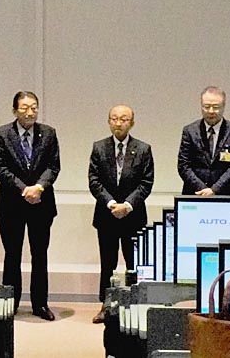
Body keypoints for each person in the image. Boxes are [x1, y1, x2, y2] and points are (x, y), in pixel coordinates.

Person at [0, 91, 60, 320]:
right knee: (12, 255)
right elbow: (0, 169)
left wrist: (38, 187)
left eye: (34, 107)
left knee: (40, 255)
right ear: (15, 110)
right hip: (11, 204)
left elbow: (53, 167)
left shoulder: (49, 133)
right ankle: (10, 304)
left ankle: (40, 304)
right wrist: (24, 189)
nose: (30, 112)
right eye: (24, 108)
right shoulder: (1, 134)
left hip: (41, 202)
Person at [88, 105, 154, 323]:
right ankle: (106, 306)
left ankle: (133, 307)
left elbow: (146, 183)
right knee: (107, 264)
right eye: (114, 119)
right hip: (106, 216)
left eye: (124, 119)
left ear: (132, 123)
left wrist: (127, 205)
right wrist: (111, 204)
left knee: (133, 264)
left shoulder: (143, 149)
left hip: (133, 216)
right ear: (109, 122)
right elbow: (94, 181)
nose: (118, 123)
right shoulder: (99, 147)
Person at [178, 86, 230, 196]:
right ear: (201, 106)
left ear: (223, 106)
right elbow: (183, 165)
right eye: (207, 107)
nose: (211, 111)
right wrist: (202, 188)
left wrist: (214, 189)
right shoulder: (189, 131)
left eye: (216, 107)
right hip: (195, 192)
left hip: (225, 193)